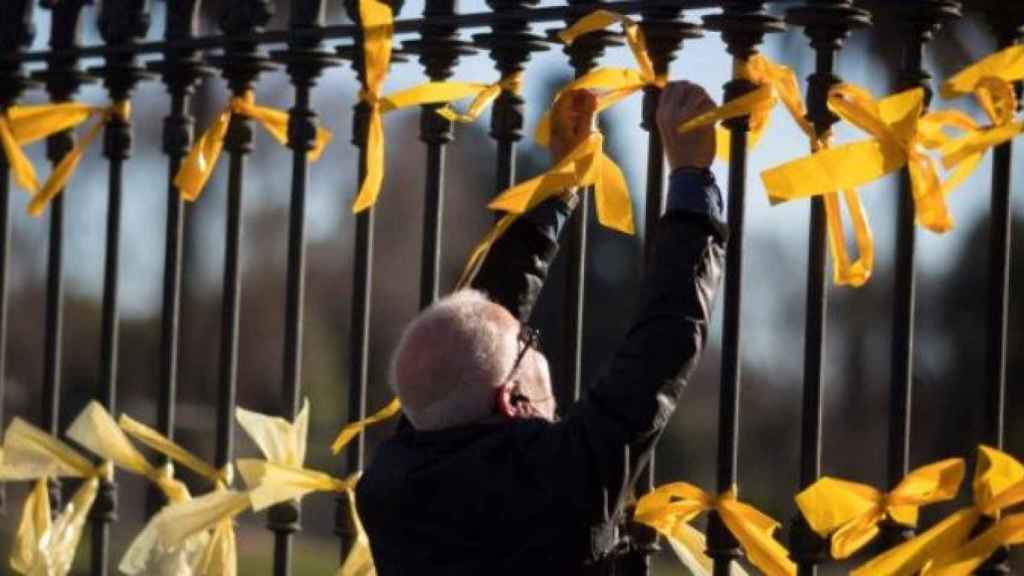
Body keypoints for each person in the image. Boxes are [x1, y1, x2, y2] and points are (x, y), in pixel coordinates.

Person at [356, 81, 726, 574]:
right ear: (511, 399)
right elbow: (663, 342)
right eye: (528, 342)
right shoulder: (557, 478)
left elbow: (476, 333)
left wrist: (560, 186)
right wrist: (692, 176)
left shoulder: (387, 484)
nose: (533, 340)